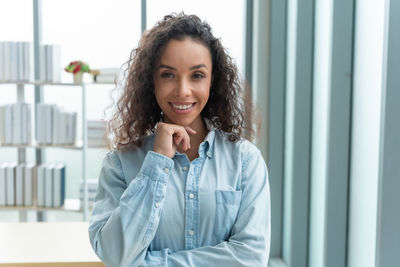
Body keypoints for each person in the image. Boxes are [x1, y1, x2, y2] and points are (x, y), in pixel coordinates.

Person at [88, 13, 270, 267]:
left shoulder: (245, 160)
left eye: (197, 75)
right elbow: (115, 254)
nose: (183, 90)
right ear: (151, 81)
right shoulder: (120, 163)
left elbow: (250, 258)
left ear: (212, 81)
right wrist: (157, 163)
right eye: (168, 75)